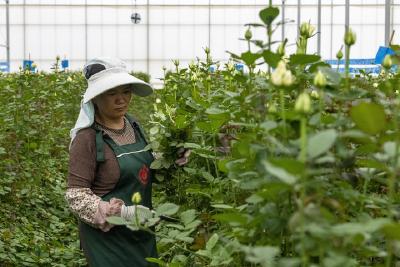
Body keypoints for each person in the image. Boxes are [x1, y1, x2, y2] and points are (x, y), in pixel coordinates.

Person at [66, 57, 159, 267]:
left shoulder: (133, 125)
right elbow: (76, 196)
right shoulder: (87, 138)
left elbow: (145, 168)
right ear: (96, 98)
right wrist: (123, 213)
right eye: (112, 93)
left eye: (126, 91)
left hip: (141, 235)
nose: (121, 100)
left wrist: (173, 158)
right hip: (107, 241)